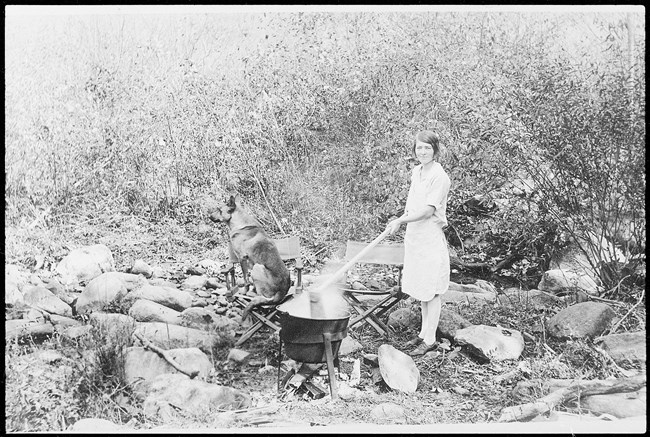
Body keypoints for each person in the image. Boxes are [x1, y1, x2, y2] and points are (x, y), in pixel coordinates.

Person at [385, 130, 451, 356]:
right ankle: (423, 335)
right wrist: (400, 220)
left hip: (430, 237)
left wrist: (400, 220)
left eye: (427, 148)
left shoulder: (440, 177)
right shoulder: (417, 172)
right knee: (422, 288)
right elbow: (412, 204)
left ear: (435, 150)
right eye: (419, 148)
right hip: (415, 238)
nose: (423, 152)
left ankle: (430, 340)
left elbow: (427, 210)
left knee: (432, 290)